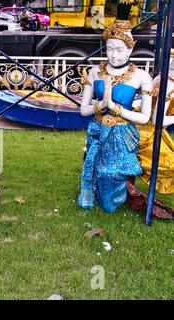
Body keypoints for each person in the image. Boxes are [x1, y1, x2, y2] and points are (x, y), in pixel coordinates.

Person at [78, 2, 152, 213]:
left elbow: (145, 117)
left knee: (113, 173)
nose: (113, 55)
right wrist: (102, 104)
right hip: (98, 129)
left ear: (131, 49)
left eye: (119, 50)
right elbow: (83, 110)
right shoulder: (94, 72)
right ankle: (93, 196)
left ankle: (114, 200)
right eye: (109, 49)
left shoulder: (140, 77)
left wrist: (114, 107)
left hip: (122, 132)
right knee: (95, 169)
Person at [126, 49, 174, 220]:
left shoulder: (161, 77)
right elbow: (157, 119)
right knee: (169, 164)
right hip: (148, 129)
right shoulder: (170, 84)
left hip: (142, 123)